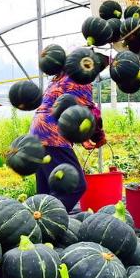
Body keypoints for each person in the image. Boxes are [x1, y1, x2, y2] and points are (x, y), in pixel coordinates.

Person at [30, 70, 106, 212]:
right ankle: (50, 220)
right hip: (53, 135)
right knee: (75, 185)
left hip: (37, 134)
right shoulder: (80, 79)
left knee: (46, 190)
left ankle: (38, 226)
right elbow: (89, 115)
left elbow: (70, 113)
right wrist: (99, 136)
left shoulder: (59, 78)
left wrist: (82, 139)